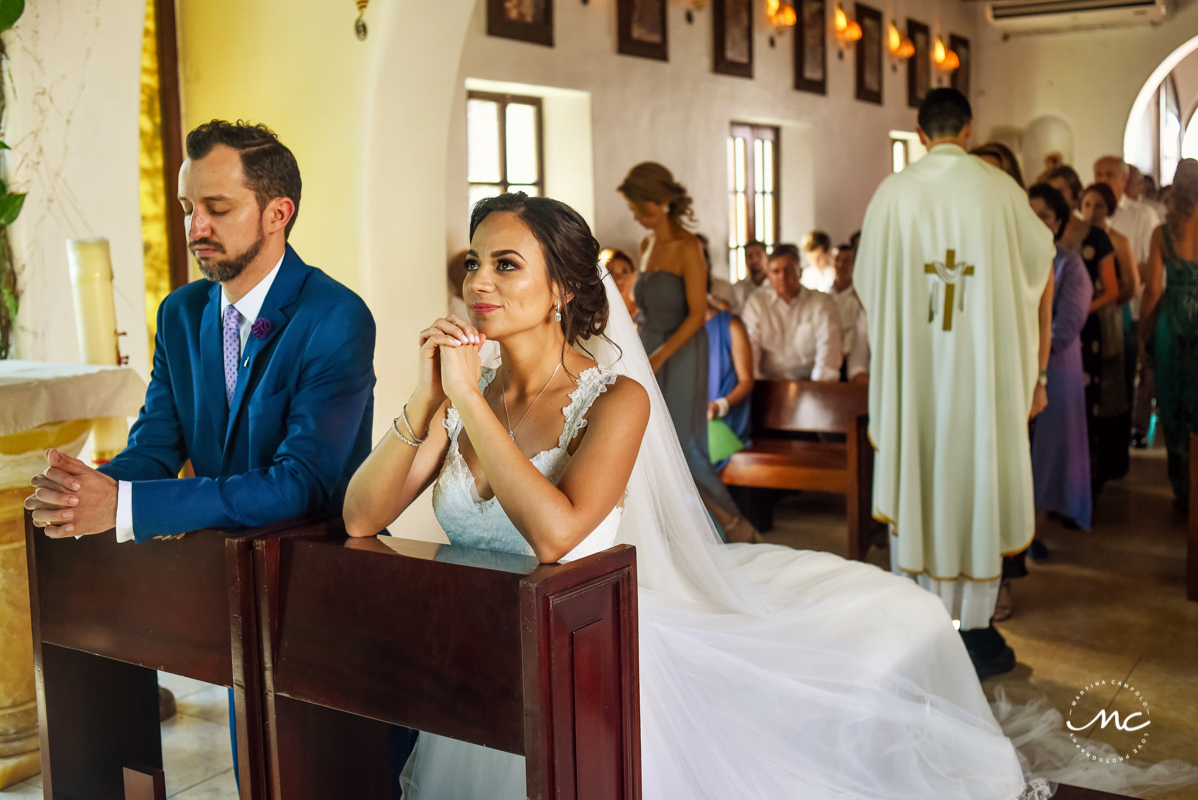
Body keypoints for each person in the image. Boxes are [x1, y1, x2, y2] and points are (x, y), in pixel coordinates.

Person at [348, 191, 1046, 800]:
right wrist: (428, 394)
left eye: (506, 265)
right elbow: (362, 515)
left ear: (562, 288)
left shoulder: (613, 401)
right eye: (474, 261)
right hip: (478, 652)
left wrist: (467, 399)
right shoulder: (464, 395)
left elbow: (556, 536)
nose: (480, 282)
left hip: (585, 658)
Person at [20, 120, 408, 782]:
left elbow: (302, 483)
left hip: (321, 586)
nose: (195, 226)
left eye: (217, 208)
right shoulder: (180, 313)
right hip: (226, 579)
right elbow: (155, 445)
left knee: (333, 781)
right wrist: (89, 487)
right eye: (187, 209)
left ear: (278, 212)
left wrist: (127, 505)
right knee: (251, 767)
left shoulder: (335, 316)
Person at [855, 88, 1055, 679]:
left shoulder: (893, 194)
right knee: (976, 482)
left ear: (921, 133)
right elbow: (1038, 268)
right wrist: (1030, 365)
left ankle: (924, 622)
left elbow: (868, 286)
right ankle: (976, 625)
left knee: (923, 477)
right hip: (981, 378)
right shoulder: (1000, 190)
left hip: (916, 380)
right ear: (969, 127)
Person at [617, 162, 759, 543]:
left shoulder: (687, 246)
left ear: (662, 202)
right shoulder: (646, 245)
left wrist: (661, 356)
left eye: (639, 207)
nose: (635, 216)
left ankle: (733, 525)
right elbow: (638, 303)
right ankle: (676, 536)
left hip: (681, 350)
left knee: (685, 444)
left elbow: (697, 315)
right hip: (646, 345)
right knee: (645, 443)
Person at [1044, 168, 1127, 489]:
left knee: (1084, 405)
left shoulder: (1096, 237)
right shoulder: (1043, 238)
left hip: (1086, 328)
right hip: (1048, 327)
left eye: (1061, 193)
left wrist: (1075, 311)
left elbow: (1113, 289)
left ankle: (1083, 485)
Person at [1028, 183, 1093, 532]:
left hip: (1056, 366)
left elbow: (1067, 324)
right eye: (1030, 215)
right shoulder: (1017, 260)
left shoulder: (1070, 265)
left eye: (1045, 216)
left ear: (1059, 223)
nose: (1036, 222)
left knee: (1051, 452)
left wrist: (1027, 345)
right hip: (1022, 364)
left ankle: (1039, 524)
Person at [1142, 158, 1198, 507]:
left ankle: (1182, 486)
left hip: (1173, 322)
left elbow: (1153, 291)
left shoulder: (1162, 233)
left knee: (1174, 401)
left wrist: (1146, 330)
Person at [1095, 156, 1159, 448]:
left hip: (1129, 307)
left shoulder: (1141, 216)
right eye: (1098, 173)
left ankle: (1129, 432)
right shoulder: (1090, 213)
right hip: (1098, 311)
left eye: (1110, 174)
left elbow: (1149, 267)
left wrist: (1117, 277)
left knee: (1128, 372)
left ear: (1125, 180)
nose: (1102, 178)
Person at [740, 244, 843, 382]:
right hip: (768, 386)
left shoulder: (822, 303)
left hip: (810, 384)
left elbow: (828, 355)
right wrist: (755, 391)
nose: (782, 276)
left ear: (799, 272)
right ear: (769, 276)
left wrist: (816, 393)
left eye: (788, 270)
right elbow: (750, 353)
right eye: (776, 271)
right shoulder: (757, 305)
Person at [704, 299, 753, 469]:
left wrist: (719, 406)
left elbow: (746, 381)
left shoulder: (731, 325)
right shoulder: (677, 330)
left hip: (724, 419)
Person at [831, 242, 869, 382]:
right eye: (837, 260)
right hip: (831, 360)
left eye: (846, 261)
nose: (840, 265)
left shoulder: (860, 297)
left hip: (853, 357)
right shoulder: (825, 296)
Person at [600, 246, 639, 321]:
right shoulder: (596, 319)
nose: (619, 280)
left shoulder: (647, 313)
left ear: (633, 275)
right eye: (611, 273)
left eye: (624, 272)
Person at [732, 239, 769, 310]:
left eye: (759, 255)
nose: (755, 260)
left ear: (766, 256)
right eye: (750, 256)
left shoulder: (777, 286)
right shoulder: (738, 288)